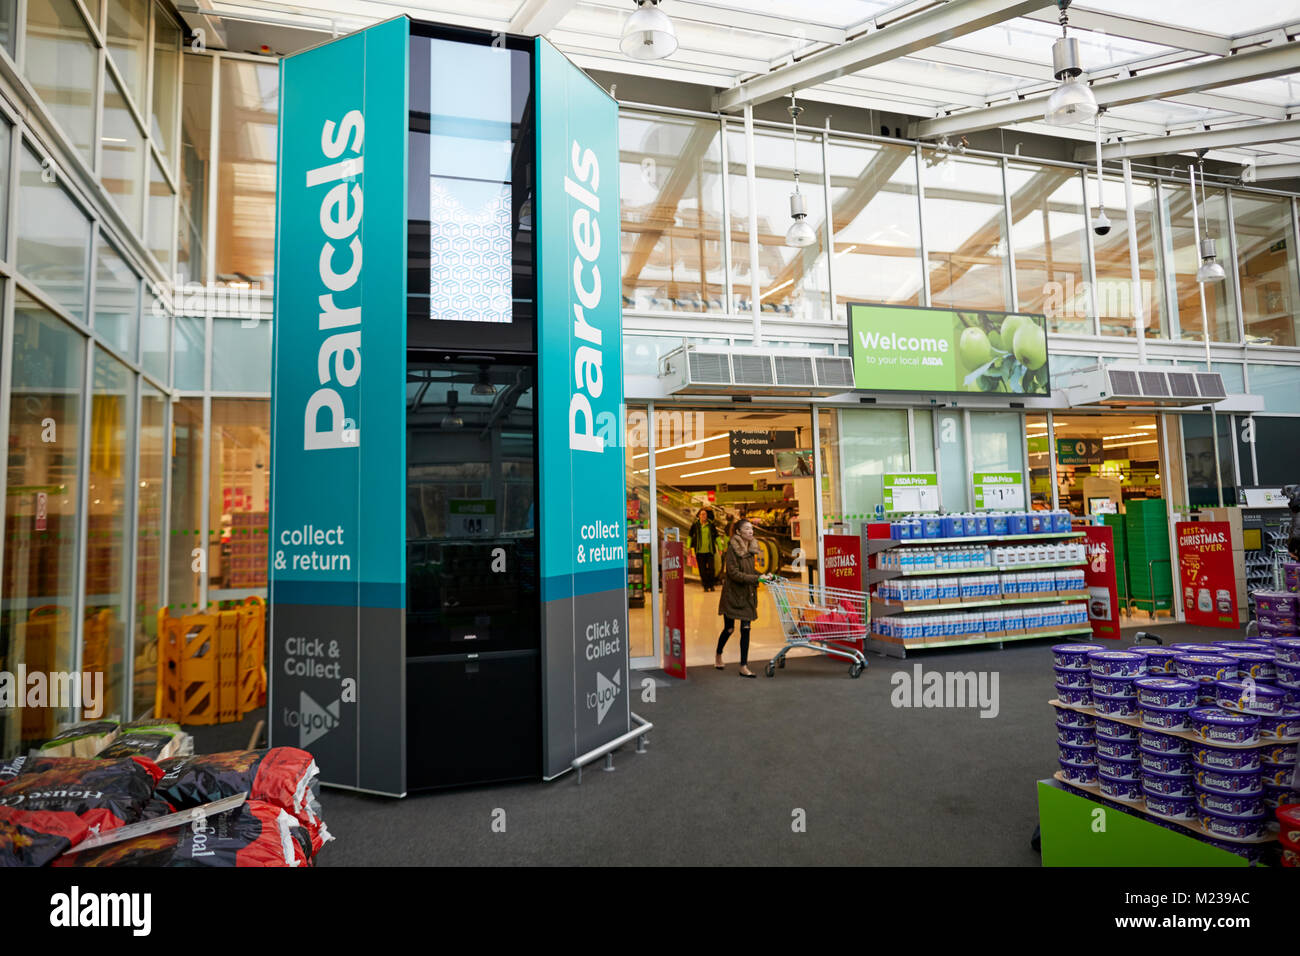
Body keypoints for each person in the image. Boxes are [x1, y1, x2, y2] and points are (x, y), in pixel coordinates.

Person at [716, 519, 762, 678]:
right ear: (738, 532)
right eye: (747, 529)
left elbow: (750, 570)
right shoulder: (732, 550)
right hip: (733, 595)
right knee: (729, 629)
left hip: (747, 594)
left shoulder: (751, 548)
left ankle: (743, 665)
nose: (751, 531)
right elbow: (733, 573)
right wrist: (755, 579)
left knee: (746, 629)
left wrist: (762, 576)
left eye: (751, 529)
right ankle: (718, 654)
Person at [687, 508, 719, 592]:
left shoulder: (711, 524)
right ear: (699, 515)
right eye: (702, 514)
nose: (704, 516)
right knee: (702, 570)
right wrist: (689, 547)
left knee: (712, 569)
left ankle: (711, 585)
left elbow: (717, 536)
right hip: (699, 551)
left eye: (705, 514)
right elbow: (690, 536)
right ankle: (705, 586)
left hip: (710, 551)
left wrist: (720, 548)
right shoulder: (695, 525)